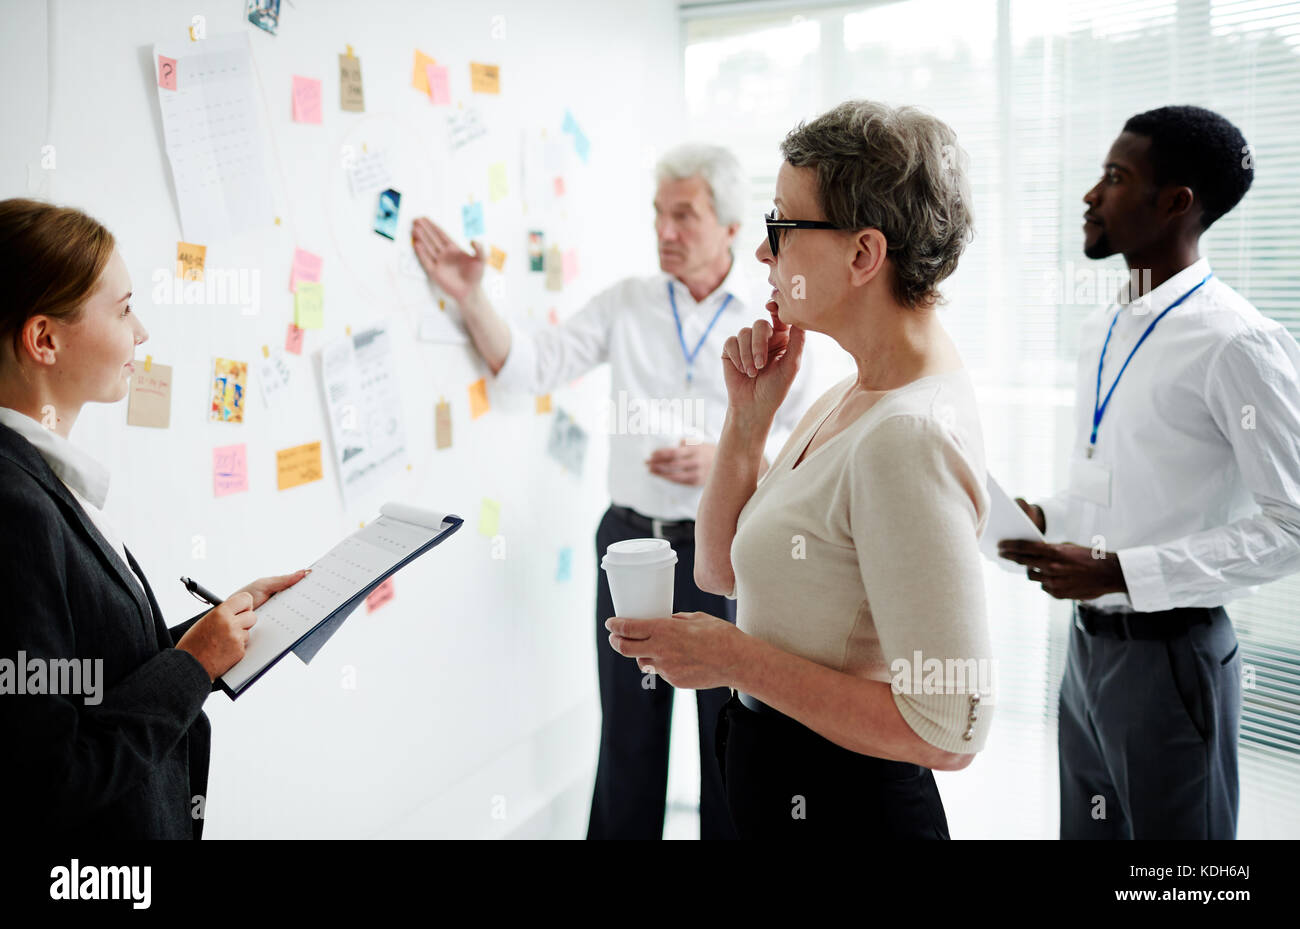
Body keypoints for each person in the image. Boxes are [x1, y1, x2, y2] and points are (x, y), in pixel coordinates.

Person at [605, 101, 994, 838]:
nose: (763, 253)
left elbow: (948, 729)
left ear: (861, 254)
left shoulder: (905, 433)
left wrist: (735, 659)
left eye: (781, 226)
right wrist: (746, 423)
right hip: (787, 781)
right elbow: (720, 570)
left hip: (847, 806)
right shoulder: (851, 388)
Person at [412, 144, 815, 840]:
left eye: (683, 215)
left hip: (728, 550)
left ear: (728, 227)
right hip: (632, 544)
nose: (665, 230)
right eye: (659, 214)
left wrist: (730, 457)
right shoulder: (628, 302)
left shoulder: (770, 311)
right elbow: (534, 365)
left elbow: (808, 442)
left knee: (730, 729)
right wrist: (472, 295)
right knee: (629, 729)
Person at [999, 106, 1300, 839]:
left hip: (1174, 659)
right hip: (1086, 652)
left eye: (1115, 177)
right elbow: (1111, 491)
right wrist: (1042, 520)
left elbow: (1291, 524)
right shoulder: (1106, 326)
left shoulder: (1238, 342)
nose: (1091, 196)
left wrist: (1122, 571)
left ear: (1175, 204)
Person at [0, 198, 309, 839]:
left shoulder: (39, 473)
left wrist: (215, 628)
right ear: (44, 340)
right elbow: (48, 777)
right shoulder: (13, 505)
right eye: (123, 309)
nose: (141, 331)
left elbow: (88, 672)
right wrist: (193, 665)